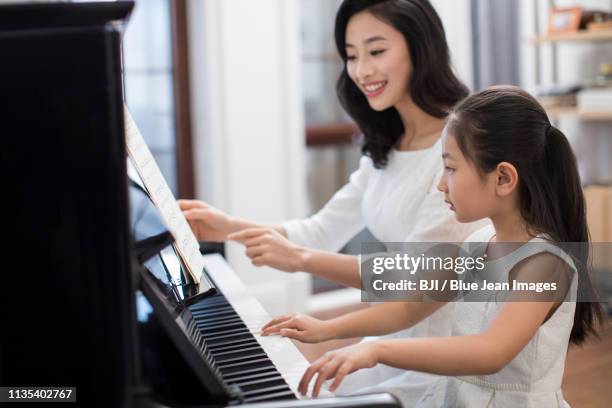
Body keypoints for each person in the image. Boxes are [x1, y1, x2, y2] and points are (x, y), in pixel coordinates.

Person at [180, 0, 485, 403]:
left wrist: (302, 261)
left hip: (438, 353)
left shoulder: (457, 149)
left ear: (420, 47)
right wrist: (228, 227)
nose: (361, 71)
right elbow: (320, 231)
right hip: (390, 334)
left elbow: (417, 275)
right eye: (351, 56)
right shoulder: (388, 146)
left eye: (376, 51)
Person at [262, 86, 604, 407]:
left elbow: (490, 352)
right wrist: (328, 329)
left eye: (451, 168)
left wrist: (378, 351)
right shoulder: (477, 243)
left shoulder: (544, 264)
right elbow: (410, 307)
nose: (441, 184)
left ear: (502, 178)